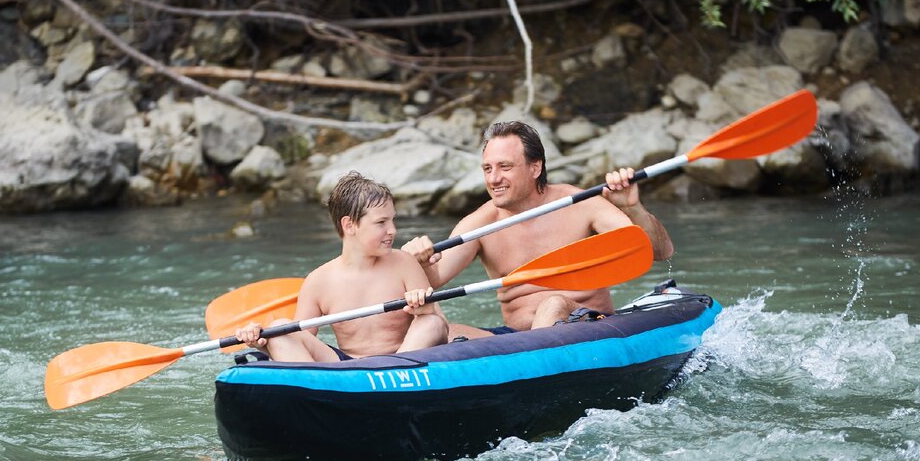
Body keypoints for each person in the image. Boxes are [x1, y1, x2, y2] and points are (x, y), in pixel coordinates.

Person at [402, 120, 674, 337]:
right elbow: (433, 280)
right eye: (487, 169)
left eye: (504, 167)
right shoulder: (479, 224)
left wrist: (632, 208)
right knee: (448, 332)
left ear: (535, 168)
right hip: (518, 340)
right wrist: (417, 261)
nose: (493, 178)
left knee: (552, 304)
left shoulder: (581, 204)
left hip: (590, 327)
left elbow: (660, 251)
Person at [235, 172, 448, 361]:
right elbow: (299, 341)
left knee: (431, 322)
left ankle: (391, 374)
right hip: (348, 367)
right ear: (349, 225)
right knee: (279, 329)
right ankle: (316, 392)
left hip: (404, 357)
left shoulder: (404, 263)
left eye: (393, 221)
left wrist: (424, 307)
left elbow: (440, 326)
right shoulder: (319, 281)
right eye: (381, 223)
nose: (392, 230)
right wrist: (263, 341)